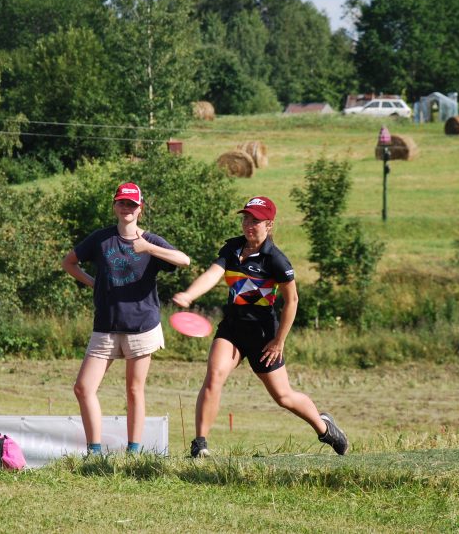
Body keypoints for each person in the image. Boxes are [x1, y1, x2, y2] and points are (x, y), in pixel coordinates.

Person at [173, 196, 349, 457]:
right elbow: (213, 274)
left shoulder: (276, 260)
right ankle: (200, 446)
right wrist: (189, 295)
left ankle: (325, 428)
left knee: (283, 397)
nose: (248, 224)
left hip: (263, 336)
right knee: (214, 377)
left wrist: (279, 341)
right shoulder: (231, 249)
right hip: (232, 329)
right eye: (246, 218)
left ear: (269, 225)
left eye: (255, 220)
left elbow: (292, 301)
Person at [62, 182, 190, 455]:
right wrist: (92, 282)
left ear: (140, 209)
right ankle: (94, 452)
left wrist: (150, 249)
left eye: (132, 204)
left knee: (134, 390)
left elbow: (184, 260)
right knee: (83, 388)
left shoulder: (151, 241)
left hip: (141, 326)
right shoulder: (101, 238)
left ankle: (133, 452)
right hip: (106, 325)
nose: (126, 208)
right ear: (115, 206)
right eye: (122, 203)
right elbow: (68, 262)